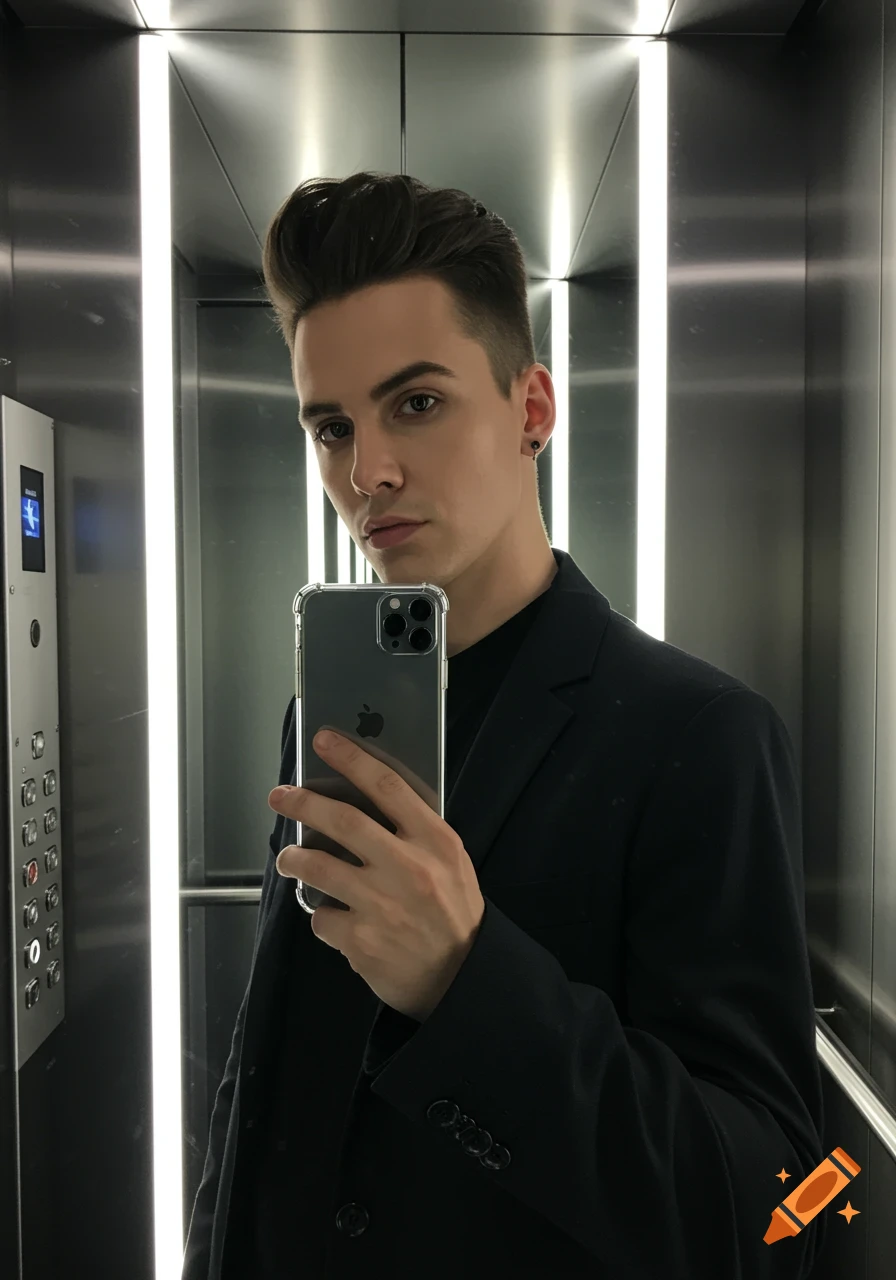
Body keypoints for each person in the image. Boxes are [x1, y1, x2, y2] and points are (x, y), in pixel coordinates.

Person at [182, 172, 826, 1280]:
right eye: (329, 426)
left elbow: (781, 1207)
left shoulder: (699, 735)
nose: (364, 472)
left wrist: (466, 982)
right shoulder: (319, 714)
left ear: (530, 409)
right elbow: (272, 1073)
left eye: (415, 403)